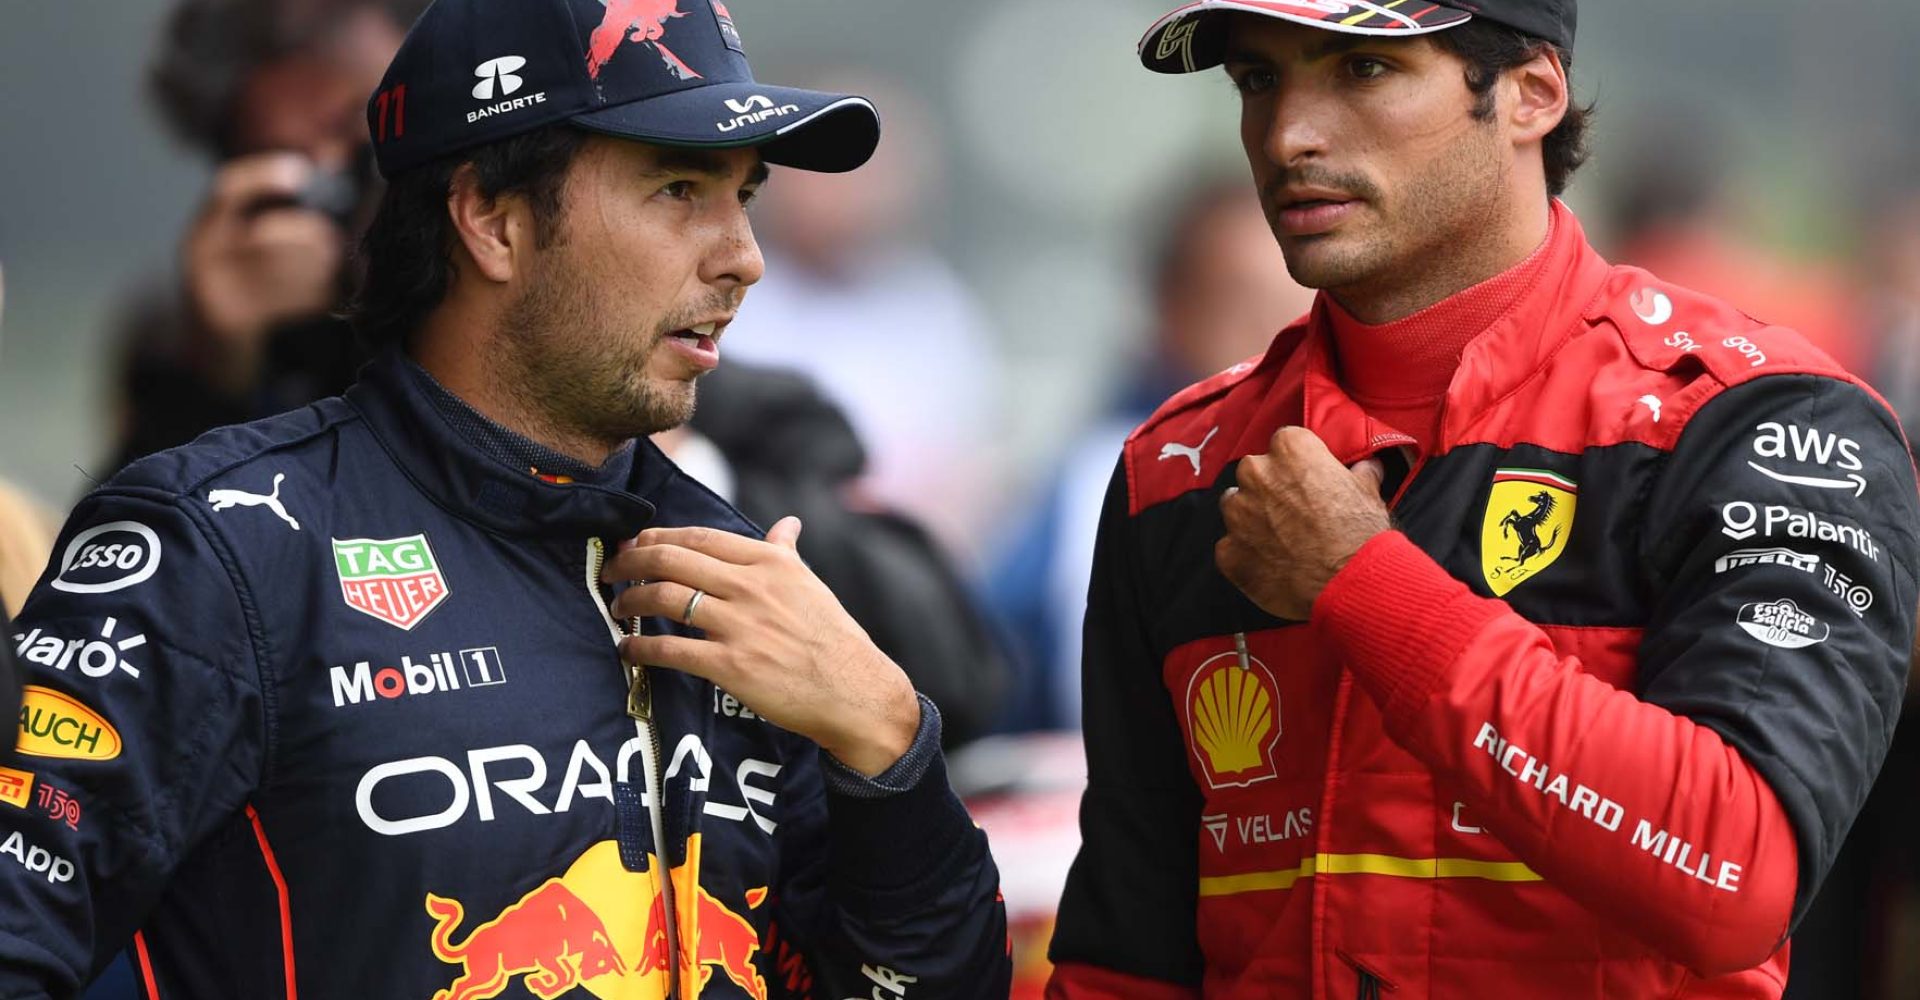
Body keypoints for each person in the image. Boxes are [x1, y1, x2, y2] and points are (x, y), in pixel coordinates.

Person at [0, 0, 1010, 995]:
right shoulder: (218, 548)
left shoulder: (745, 572)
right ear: (492, 219)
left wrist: (889, 744)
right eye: (676, 188)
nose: (742, 257)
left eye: (742, 196)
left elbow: (919, 982)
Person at [1048, 2, 1918, 997]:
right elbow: (1127, 958)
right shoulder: (1181, 468)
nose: (1289, 133)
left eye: (1361, 71)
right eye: (1258, 80)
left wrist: (1365, 587)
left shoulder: (1754, 424)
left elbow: (1734, 875)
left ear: (1531, 94)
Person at [989, 179, 1313, 731]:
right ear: (1170, 311)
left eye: (1299, 301)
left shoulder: (1370, 462)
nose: (1275, 333)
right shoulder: (1105, 478)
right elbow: (1002, 670)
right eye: (1239, 303)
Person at [106, 0, 423, 473]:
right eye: (289, 163)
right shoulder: (195, 332)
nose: (337, 176)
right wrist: (211, 373)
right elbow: (132, 536)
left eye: (366, 129)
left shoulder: (511, 260)